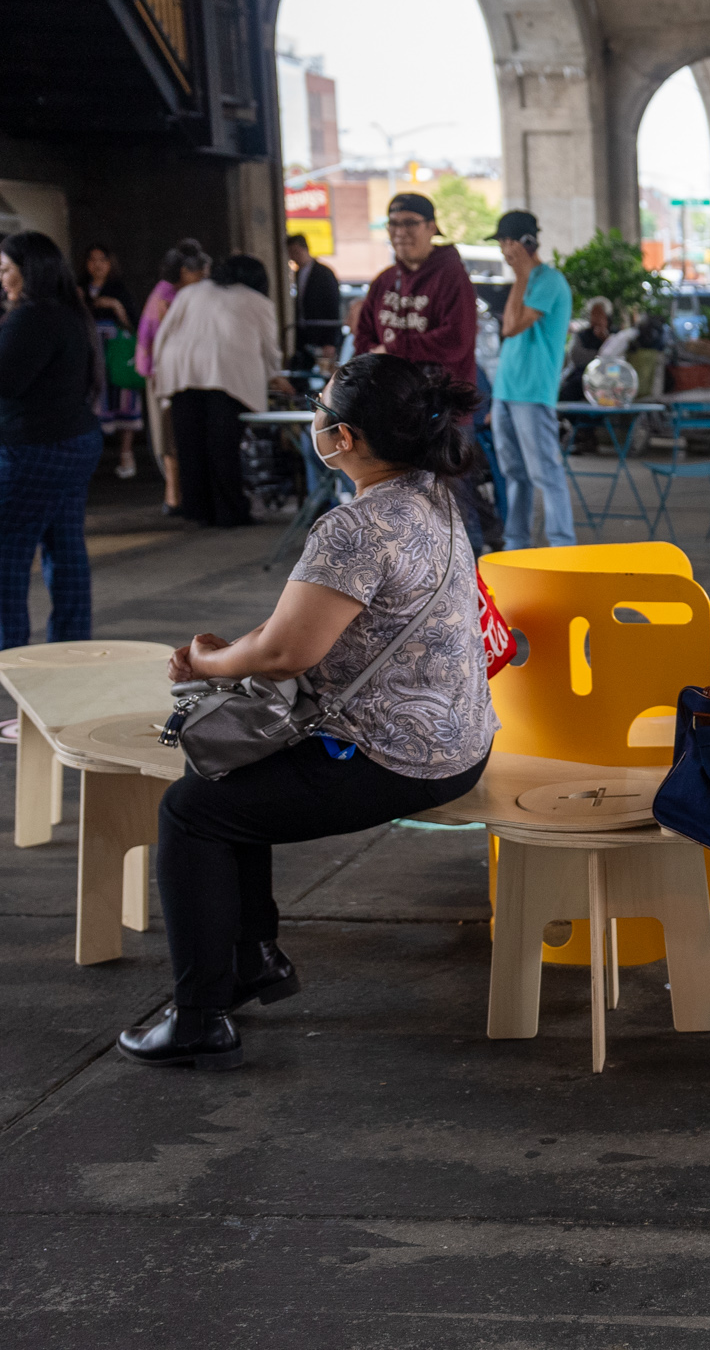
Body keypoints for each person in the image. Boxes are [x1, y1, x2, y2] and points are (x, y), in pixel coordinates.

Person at [117, 354, 497, 1072]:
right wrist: (236, 652)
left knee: (191, 812)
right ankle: (252, 958)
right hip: (462, 739)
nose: (313, 420)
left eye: (320, 409)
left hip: (397, 759)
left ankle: (199, 1016)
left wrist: (203, 663)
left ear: (344, 437)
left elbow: (286, 652)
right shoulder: (437, 497)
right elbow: (295, 634)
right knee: (234, 776)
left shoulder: (354, 527)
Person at [0, 231, 103, 652]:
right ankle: (70, 649)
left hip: (34, 449)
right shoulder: (69, 312)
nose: (1, 279)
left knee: (7, 556)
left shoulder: (32, 317)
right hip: (74, 443)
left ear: (31, 271)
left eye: (6, 269)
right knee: (65, 548)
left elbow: (6, 380)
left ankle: (10, 657)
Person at [152, 253, 281, 528]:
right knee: (222, 448)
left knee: (191, 447)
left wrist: (159, 371)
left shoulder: (191, 292)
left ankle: (198, 511)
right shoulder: (257, 301)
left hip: (181, 373)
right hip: (226, 377)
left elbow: (165, 332)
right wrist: (274, 375)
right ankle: (230, 512)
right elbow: (269, 348)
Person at [487, 210, 576, 549]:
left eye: (505, 243)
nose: (503, 252)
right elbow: (510, 336)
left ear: (521, 243)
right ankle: (516, 544)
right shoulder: (523, 281)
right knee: (515, 475)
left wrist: (522, 276)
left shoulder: (549, 280)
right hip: (507, 391)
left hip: (533, 392)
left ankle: (562, 546)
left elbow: (511, 327)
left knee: (545, 474)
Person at [363, 194, 478, 390]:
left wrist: (393, 349)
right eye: (393, 224)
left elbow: (456, 339)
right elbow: (363, 335)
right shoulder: (384, 280)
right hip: (392, 402)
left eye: (410, 223)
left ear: (431, 227)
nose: (400, 232)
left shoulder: (452, 276)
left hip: (441, 408)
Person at [135, 239, 209, 515]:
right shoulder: (170, 296)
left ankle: (175, 495)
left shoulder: (167, 293)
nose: (203, 277)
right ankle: (173, 496)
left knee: (171, 435)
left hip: (166, 372)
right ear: (184, 272)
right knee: (170, 435)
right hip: (163, 374)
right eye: (198, 271)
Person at [81, 245, 144, 479]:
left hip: (117, 351)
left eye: (103, 260)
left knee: (124, 398)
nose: (97, 265)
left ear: (110, 263)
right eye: (92, 259)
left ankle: (126, 454)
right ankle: (91, 457)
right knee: (93, 400)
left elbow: (134, 324)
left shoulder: (120, 290)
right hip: (90, 352)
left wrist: (114, 306)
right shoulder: (78, 289)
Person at [287, 233, 343, 368]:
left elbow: (333, 305)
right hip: (304, 335)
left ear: (304, 249)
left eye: (295, 252)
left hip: (322, 334)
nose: (293, 257)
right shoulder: (297, 273)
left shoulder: (324, 273)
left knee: (325, 373)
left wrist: (330, 341)